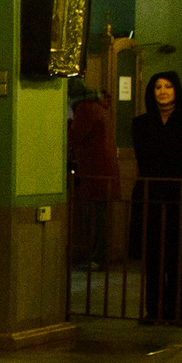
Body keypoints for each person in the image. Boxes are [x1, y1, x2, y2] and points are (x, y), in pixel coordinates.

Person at [130, 70, 182, 325]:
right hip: (150, 195)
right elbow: (145, 158)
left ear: (176, 90)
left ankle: (177, 311)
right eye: (158, 87)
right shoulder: (141, 123)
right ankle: (154, 310)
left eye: (168, 86)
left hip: (179, 195)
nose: (162, 91)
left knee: (177, 254)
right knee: (152, 256)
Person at [66, 76, 117, 269]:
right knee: (99, 216)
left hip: (93, 170)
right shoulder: (95, 105)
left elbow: (74, 136)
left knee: (95, 218)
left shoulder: (85, 108)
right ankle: (97, 256)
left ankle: (96, 258)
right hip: (101, 170)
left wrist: (66, 123)